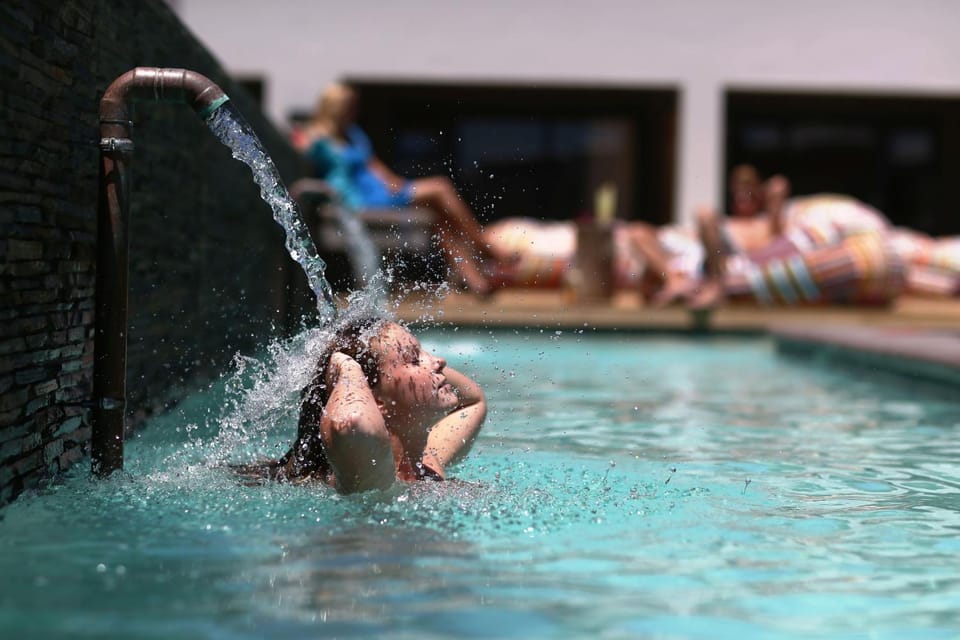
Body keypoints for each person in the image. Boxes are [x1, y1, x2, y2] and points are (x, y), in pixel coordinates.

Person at [301, 83, 502, 295]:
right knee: (441, 188)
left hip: (379, 192)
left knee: (438, 215)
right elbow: (299, 151)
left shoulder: (353, 134)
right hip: (358, 200)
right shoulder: (317, 138)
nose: (355, 111)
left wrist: (395, 182)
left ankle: (475, 280)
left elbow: (375, 166)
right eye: (350, 106)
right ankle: (486, 247)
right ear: (335, 107)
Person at [254, 316, 486, 493]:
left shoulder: (426, 464)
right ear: (375, 400)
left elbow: (473, 401)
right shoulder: (369, 472)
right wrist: (345, 365)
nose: (439, 361)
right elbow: (353, 423)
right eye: (414, 359)